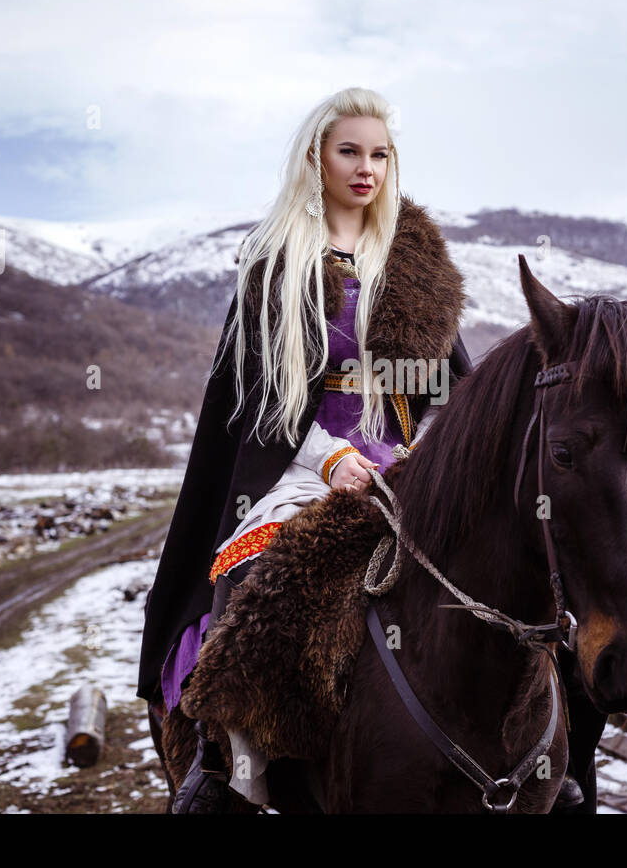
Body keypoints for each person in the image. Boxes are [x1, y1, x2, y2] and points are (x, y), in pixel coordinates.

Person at [137, 87, 475, 812]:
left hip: (404, 462)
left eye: (379, 154)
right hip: (298, 460)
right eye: (349, 150)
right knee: (254, 575)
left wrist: (453, 457)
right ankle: (227, 764)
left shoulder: (416, 266)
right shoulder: (276, 265)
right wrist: (327, 459)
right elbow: (260, 400)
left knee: (503, 568)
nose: (366, 168)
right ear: (316, 156)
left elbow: (451, 389)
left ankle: (543, 748)